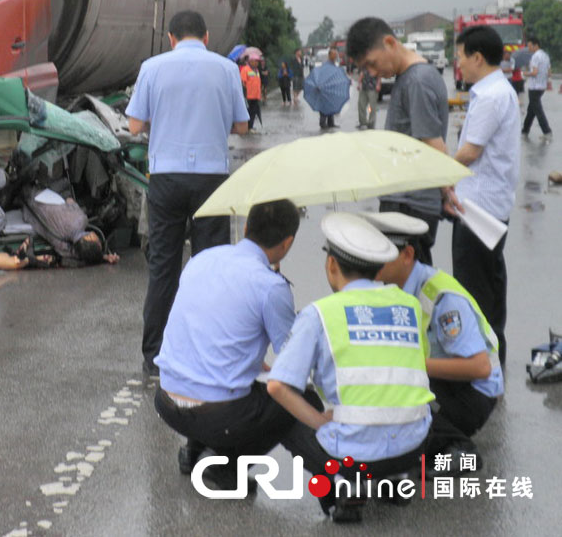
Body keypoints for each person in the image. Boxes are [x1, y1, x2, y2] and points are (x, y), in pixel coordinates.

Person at [267, 212, 432, 523]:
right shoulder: (408, 304)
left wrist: (319, 420)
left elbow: (278, 386)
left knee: (288, 415)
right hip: (414, 446)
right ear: (379, 267)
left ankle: (343, 488)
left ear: (331, 265)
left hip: (354, 457)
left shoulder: (319, 314)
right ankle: (394, 479)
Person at [126, 10, 249, 376]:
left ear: (171, 38)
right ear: (207, 37)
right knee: (210, 268)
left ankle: (155, 356)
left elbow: (134, 125)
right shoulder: (226, 69)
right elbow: (242, 126)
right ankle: (207, 351)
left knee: (164, 266)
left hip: (166, 177)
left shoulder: (153, 67)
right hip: (212, 179)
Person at [154, 200, 306, 490]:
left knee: (214, 374)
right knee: (299, 400)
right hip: (219, 415)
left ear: (246, 227)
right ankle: (225, 468)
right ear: (287, 243)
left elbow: (204, 327)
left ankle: (194, 452)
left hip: (166, 401)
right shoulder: (271, 286)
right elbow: (293, 358)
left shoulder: (203, 258)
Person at [362, 211, 503, 466]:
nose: (373, 260)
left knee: (397, 391)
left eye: (382, 253)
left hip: (471, 394)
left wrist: (410, 364)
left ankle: (458, 446)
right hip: (440, 382)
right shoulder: (391, 287)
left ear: (407, 255)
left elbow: (479, 368)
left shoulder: (442, 299)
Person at [443, 25, 520, 366]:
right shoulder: (498, 91)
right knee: (490, 282)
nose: (457, 63)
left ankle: (480, 362)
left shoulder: (489, 97)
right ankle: (492, 356)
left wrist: (438, 171)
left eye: (459, 56)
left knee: (473, 287)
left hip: (477, 208)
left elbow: (470, 152)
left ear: (477, 57)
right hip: (491, 204)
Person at [346, 17, 449, 265]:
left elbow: (432, 143)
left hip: (410, 204)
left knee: (405, 288)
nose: (371, 72)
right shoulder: (411, 77)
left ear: (390, 43)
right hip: (408, 201)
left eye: (371, 63)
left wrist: (447, 191)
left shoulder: (417, 81)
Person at [21, 185, 120, 267]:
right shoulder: (62, 246)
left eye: (98, 240)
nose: (98, 237)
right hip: (27, 209)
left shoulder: (81, 220)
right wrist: (103, 257)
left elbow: (70, 200)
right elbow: (77, 253)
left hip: (35, 192)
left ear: (89, 238)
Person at [521, 36, 553, 139]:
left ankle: (547, 132)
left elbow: (534, 72)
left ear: (535, 45)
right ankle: (525, 130)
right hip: (542, 86)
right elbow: (549, 73)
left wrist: (524, 73)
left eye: (530, 46)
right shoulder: (545, 56)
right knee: (532, 109)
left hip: (534, 87)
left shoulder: (535, 56)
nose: (528, 48)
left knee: (538, 110)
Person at [239, 57, 263, 132]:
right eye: (255, 61)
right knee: (248, 112)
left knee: (253, 112)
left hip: (256, 95)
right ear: (250, 62)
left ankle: (250, 126)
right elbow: (243, 82)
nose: (256, 63)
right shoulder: (245, 69)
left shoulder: (256, 70)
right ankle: (247, 127)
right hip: (248, 95)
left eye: (257, 62)